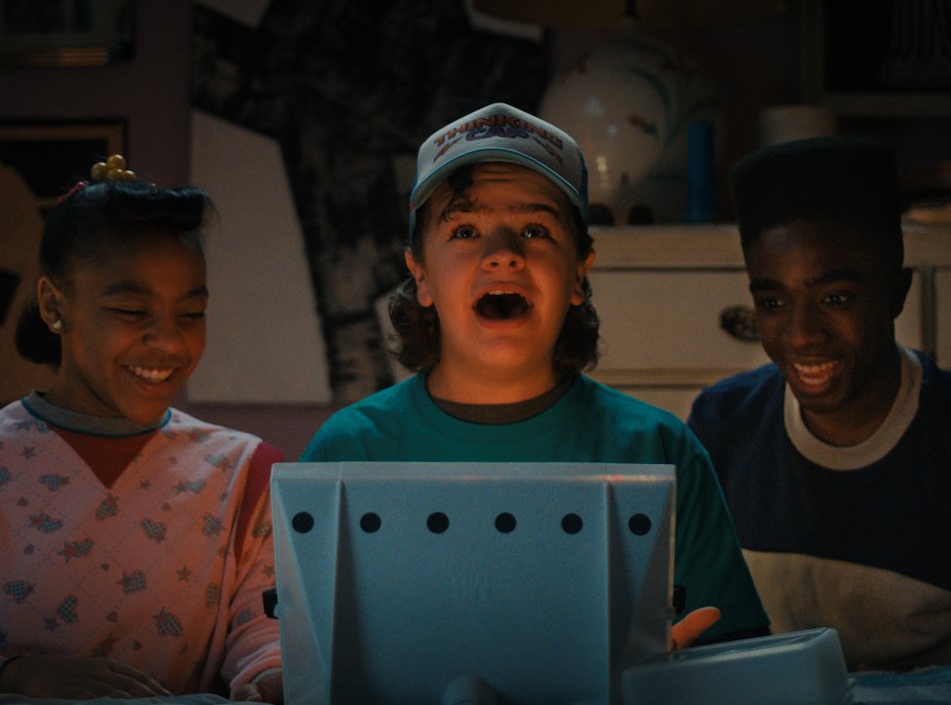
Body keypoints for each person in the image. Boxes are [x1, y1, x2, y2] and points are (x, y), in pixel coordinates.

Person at [300, 104, 769, 647]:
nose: (503, 256)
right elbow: (302, 658)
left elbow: (730, 652)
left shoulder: (657, 450)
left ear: (578, 273)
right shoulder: (349, 453)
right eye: (466, 229)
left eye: (533, 229)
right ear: (420, 275)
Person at [687, 136, 951, 674]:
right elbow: (682, 625)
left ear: (896, 293)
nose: (801, 335)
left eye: (835, 298)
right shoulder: (721, 430)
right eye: (773, 302)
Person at [0, 157, 284, 702]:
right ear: (53, 306)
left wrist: (279, 681)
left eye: (190, 314)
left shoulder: (244, 474)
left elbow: (263, 637)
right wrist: (12, 677)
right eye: (132, 311)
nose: (171, 343)